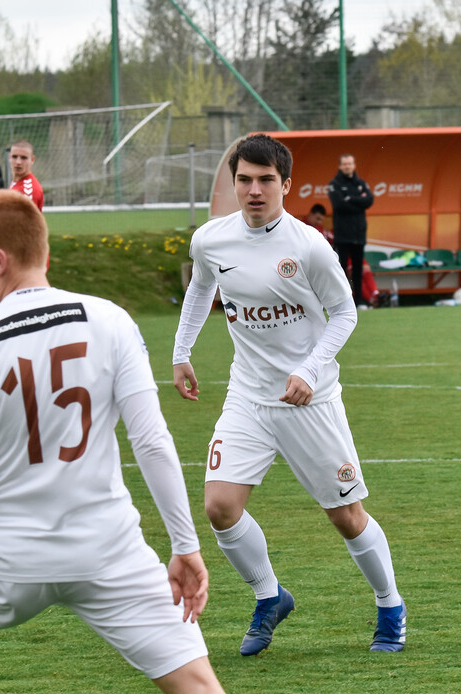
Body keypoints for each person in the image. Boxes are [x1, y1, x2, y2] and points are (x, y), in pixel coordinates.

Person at [0, 189, 252, 694]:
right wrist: (185, 547)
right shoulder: (109, 319)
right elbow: (152, 442)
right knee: (201, 690)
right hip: (109, 552)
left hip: (9, 559)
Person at [172, 134, 406, 657]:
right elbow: (200, 289)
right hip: (247, 399)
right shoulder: (211, 239)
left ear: (286, 185)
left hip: (310, 402)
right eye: (244, 180)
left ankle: (390, 607)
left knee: (347, 516)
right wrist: (181, 350)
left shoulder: (307, 245)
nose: (254, 191)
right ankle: (269, 595)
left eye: (266, 181)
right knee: (219, 507)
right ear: (234, 182)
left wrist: (309, 370)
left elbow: (345, 313)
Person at [327, 153, 375, 306]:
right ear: (340, 166)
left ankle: (359, 301)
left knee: (358, 269)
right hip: (342, 234)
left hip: (359, 233)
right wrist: (358, 202)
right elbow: (339, 205)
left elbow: (369, 200)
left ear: (354, 165)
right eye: (345, 164)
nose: (348, 166)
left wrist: (351, 198)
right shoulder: (335, 184)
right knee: (341, 269)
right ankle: (342, 302)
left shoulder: (361, 183)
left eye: (350, 164)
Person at [8, 140, 44, 211]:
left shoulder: (28, 190)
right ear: (9, 158)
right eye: (14, 157)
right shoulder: (16, 182)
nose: (18, 162)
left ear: (32, 160)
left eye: (23, 158)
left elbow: (24, 222)